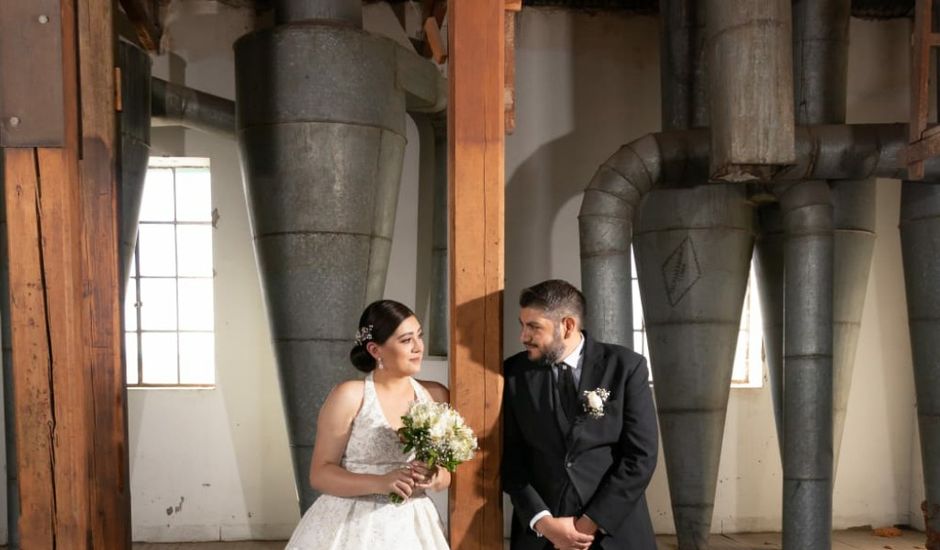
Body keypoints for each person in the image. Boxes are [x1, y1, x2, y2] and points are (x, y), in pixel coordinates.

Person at [502, 280, 659, 550]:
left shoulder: (626, 367)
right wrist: (543, 522)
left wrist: (589, 523)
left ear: (568, 325)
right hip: (542, 537)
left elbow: (640, 457)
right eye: (522, 324)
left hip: (614, 533)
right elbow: (510, 458)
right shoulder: (513, 374)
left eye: (534, 327)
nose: (523, 336)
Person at [286, 300, 451, 550]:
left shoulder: (435, 396)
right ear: (375, 350)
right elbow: (319, 474)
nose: (419, 347)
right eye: (406, 340)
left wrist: (434, 476)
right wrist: (380, 483)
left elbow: (446, 475)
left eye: (419, 336)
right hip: (351, 523)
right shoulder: (350, 395)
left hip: (413, 525)